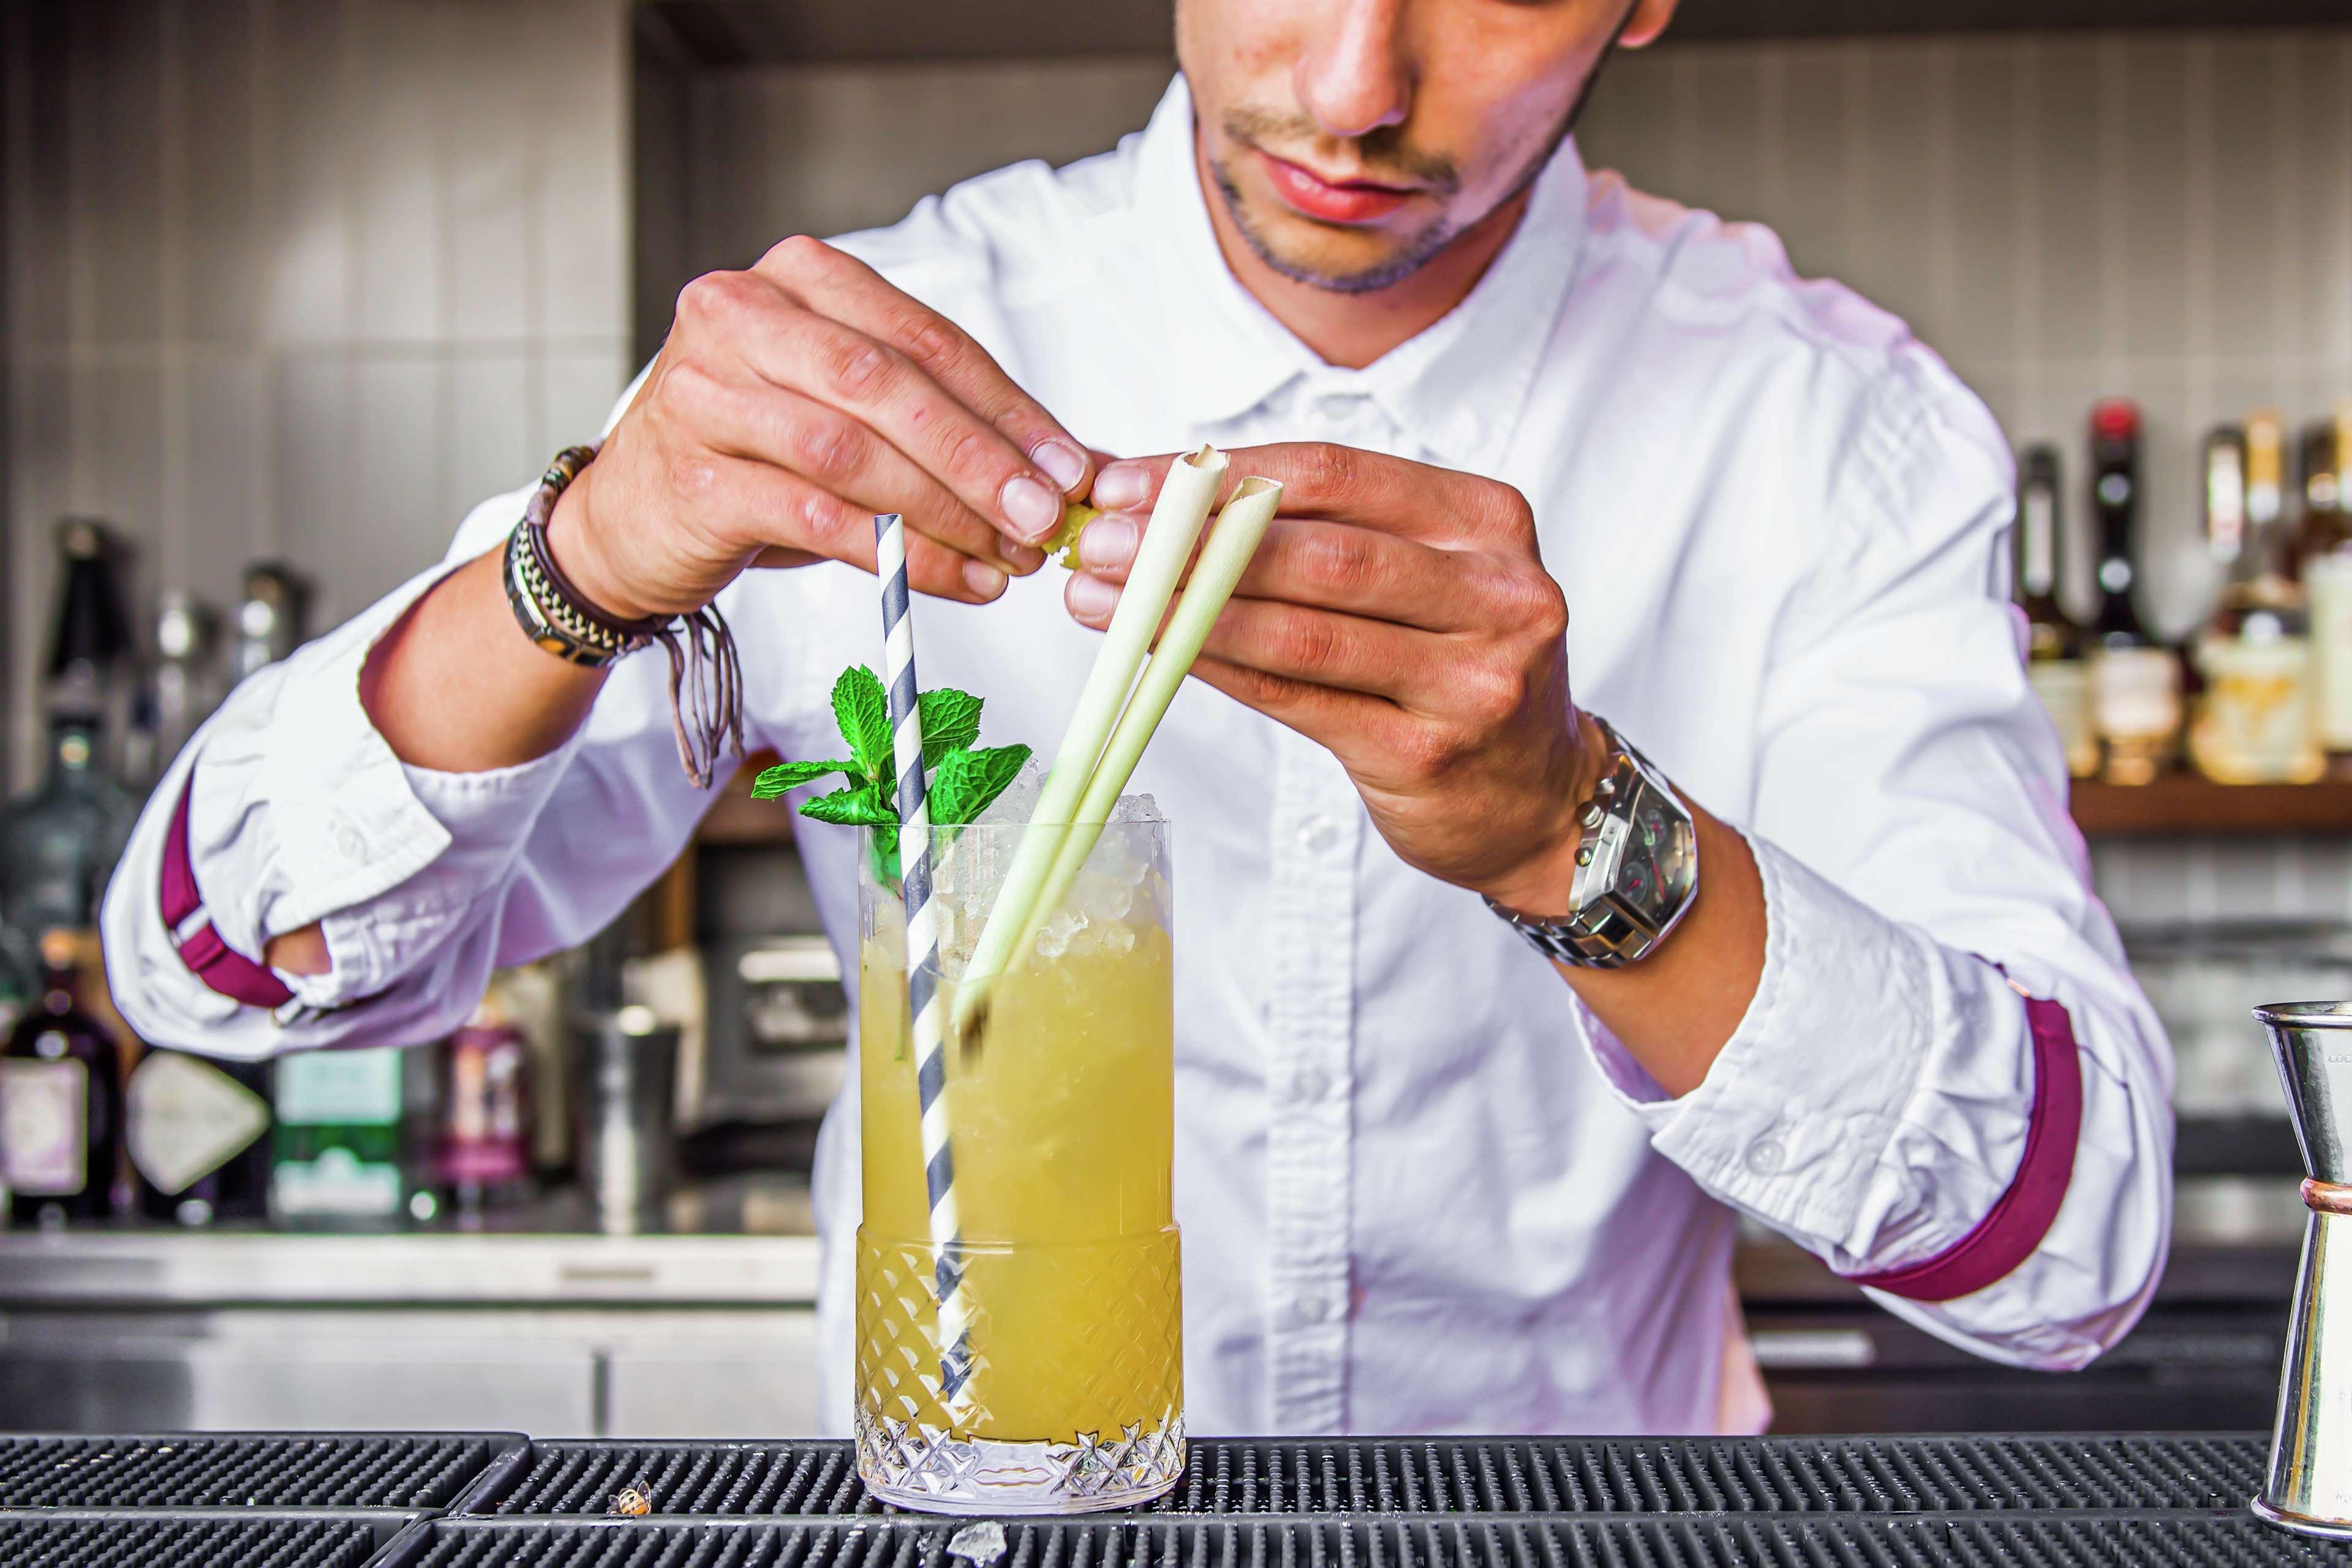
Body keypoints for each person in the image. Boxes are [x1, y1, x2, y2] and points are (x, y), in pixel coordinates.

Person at [104, 0, 2171, 1435]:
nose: (1354, 87)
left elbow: (2070, 1249)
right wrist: (591, 558)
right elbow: (218, 969)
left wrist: (1572, 830)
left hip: (1561, 1523)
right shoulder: (875, 352)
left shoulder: (1828, 432)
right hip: (974, 1512)